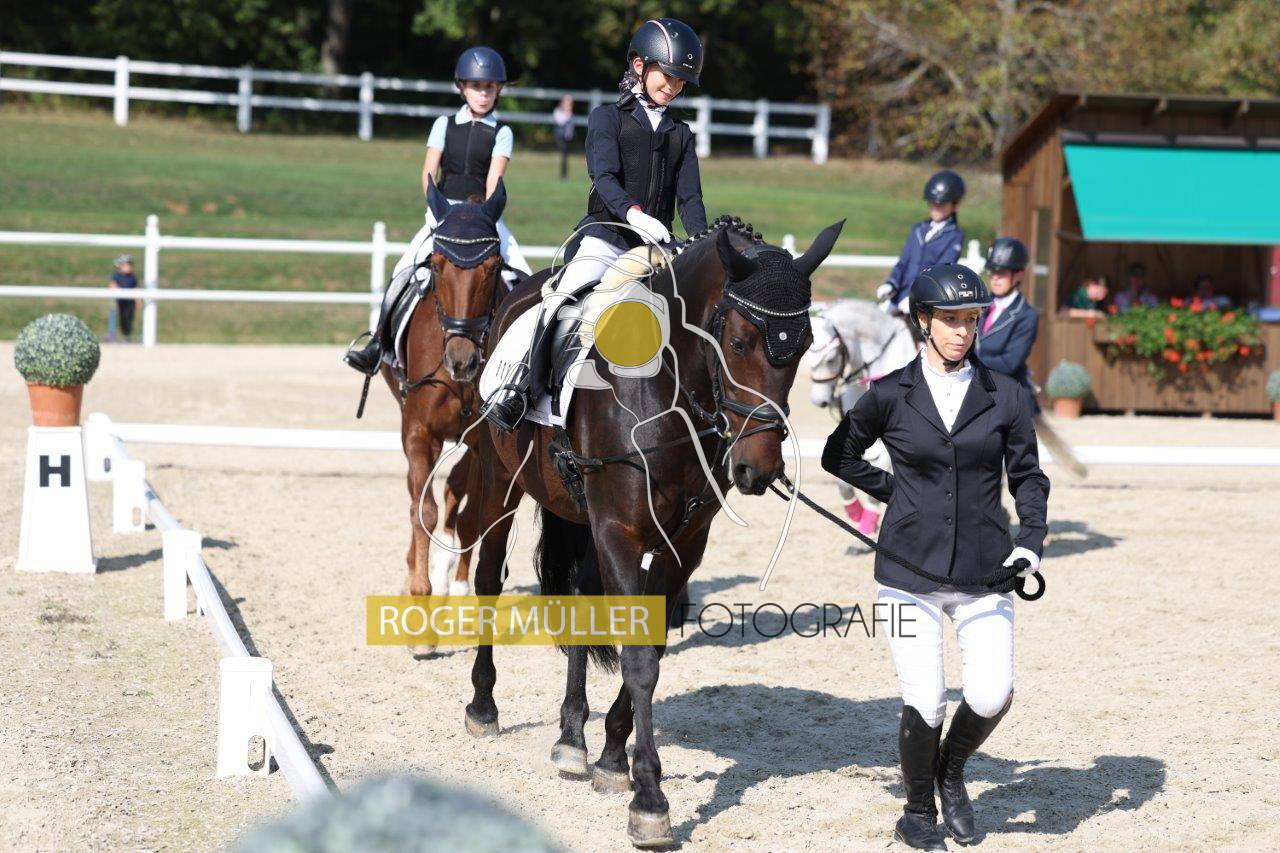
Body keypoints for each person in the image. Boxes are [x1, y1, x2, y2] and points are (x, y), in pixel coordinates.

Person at [822, 263, 1050, 850]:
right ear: (923, 321)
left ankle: (950, 772)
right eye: (950, 320)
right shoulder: (887, 394)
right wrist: (894, 492)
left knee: (991, 693)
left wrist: (1031, 541)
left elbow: (1028, 477)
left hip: (986, 569)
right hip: (907, 571)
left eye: (970, 320)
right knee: (925, 699)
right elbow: (837, 455)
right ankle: (918, 810)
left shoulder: (1006, 395)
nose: (961, 331)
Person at [484, 18, 708, 431]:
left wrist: (700, 243)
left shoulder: (681, 134)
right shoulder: (608, 118)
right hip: (606, 239)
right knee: (561, 297)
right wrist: (634, 214)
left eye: (681, 81)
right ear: (640, 66)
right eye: (668, 75)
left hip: (657, 249)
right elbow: (604, 178)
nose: (674, 86)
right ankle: (520, 387)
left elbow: (691, 199)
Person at [344, 46, 533, 376]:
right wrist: (439, 210)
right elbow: (429, 172)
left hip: (483, 218)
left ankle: (529, 356)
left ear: (498, 90)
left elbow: (494, 180)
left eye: (489, 87)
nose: (483, 94)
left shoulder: (502, 132)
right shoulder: (443, 125)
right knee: (403, 271)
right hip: (443, 214)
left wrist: (484, 217)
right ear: (462, 87)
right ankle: (377, 344)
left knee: (523, 275)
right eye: (476, 86)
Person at [877, 171, 966, 317]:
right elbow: (903, 263)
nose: (936, 207)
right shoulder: (918, 229)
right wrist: (891, 283)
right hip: (898, 297)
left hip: (924, 304)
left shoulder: (954, 236)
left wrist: (916, 299)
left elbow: (940, 273)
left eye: (942, 204)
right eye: (933, 202)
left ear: (954, 205)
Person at [975, 237, 1040, 415]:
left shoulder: (1026, 315)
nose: (995, 277)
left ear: (1018, 274)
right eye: (992, 271)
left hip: (1006, 396)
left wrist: (966, 360)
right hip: (975, 389)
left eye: (1002, 272)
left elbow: (1008, 363)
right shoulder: (978, 306)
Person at [108, 253, 139, 341]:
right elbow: (112, 285)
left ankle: (127, 335)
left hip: (130, 302)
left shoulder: (132, 277)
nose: (130, 267)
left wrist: (137, 300)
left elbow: (135, 288)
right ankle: (112, 333)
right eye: (127, 264)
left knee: (129, 317)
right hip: (120, 301)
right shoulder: (117, 276)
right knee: (118, 316)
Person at [552, 95, 575, 179]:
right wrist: (567, 113)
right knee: (564, 154)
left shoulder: (570, 113)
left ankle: (564, 174)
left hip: (567, 137)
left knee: (565, 155)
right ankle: (563, 174)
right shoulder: (558, 111)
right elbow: (560, 122)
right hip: (560, 137)